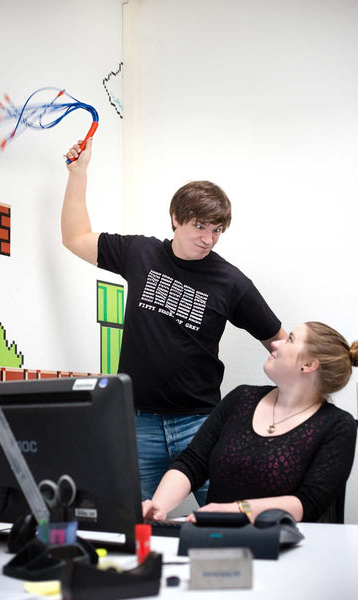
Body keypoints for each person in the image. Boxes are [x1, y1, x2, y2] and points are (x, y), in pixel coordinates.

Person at [61, 139, 287, 504]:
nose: (208, 239)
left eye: (217, 230)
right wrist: (79, 172)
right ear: (176, 219)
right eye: (200, 226)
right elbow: (75, 238)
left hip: (199, 424)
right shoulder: (140, 252)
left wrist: (296, 400)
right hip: (138, 422)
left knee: (225, 518)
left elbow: (279, 341)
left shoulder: (231, 282)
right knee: (136, 521)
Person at [142, 322, 358, 523]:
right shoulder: (241, 398)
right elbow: (192, 463)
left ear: (308, 365)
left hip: (284, 545)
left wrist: (238, 509)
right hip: (215, 538)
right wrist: (157, 506)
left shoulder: (338, 426)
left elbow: (309, 502)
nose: (276, 344)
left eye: (290, 339)